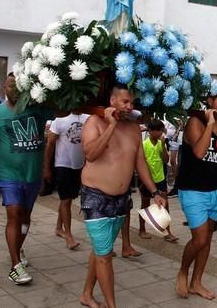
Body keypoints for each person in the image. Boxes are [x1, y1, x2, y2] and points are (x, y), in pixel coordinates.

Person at [79, 84, 166, 308]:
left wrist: (155, 191)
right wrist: (110, 126)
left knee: (102, 250)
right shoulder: (93, 122)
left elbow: (140, 163)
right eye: (125, 102)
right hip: (95, 197)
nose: (130, 106)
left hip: (121, 199)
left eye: (132, 102)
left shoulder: (135, 129)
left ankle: (87, 294)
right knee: (105, 256)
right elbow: (91, 154)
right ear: (112, 101)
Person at [0, 75, 53, 285]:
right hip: (9, 175)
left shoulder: (37, 109)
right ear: (4, 87)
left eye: (19, 86)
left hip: (33, 175)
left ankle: (18, 248)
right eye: (11, 85)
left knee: (25, 216)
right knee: (13, 215)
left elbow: (62, 112)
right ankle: (15, 265)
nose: (15, 90)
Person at [176, 85, 217, 300]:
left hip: (214, 190)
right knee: (200, 239)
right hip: (193, 190)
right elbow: (199, 151)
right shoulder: (195, 122)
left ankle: (197, 282)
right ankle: (183, 272)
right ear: (210, 100)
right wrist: (210, 123)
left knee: (207, 239)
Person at [43, 110, 90, 250]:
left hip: (79, 166)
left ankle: (58, 227)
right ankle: (68, 235)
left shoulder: (87, 118)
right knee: (66, 200)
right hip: (62, 165)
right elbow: (50, 144)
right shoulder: (59, 120)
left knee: (68, 198)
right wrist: (46, 168)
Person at [139, 119, 177, 242]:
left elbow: (166, 160)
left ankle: (168, 232)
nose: (160, 132)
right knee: (145, 205)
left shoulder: (161, 143)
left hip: (160, 178)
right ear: (150, 131)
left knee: (165, 206)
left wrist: (163, 146)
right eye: (157, 130)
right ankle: (142, 229)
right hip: (147, 180)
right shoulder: (144, 145)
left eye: (161, 130)